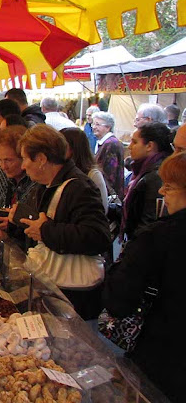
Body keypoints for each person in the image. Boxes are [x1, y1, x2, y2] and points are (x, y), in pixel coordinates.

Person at [102, 152, 186, 402]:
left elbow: (119, 299)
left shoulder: (159, 237)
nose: (161, 193)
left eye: (169, 187)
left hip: (161, 356)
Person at [11, 125, 111, 319]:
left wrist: (46, 231)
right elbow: (47, 222)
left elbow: (98, 237)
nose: (22, 166)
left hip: (73, 297)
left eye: (24, 158)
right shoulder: (48, 184)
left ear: (40, 159)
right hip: (56, 291)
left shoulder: (79, 187)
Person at [0, 126, 37, 233]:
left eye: (9, 160)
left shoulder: (36, 182)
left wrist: (15, 226)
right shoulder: (0, 174)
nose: (3, 166)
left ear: (23, 157)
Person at [121, 122, 172, 242]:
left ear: (149, 146)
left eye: (134, 142)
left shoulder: (155, 176)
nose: (129, 147)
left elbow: (148, 222)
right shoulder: (143, 170)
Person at [60, 127, 108, 212]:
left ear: (72, 149)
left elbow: (102, 209)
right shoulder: (60, 170)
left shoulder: (93, 175)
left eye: (60, 146)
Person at [92, 111, 125, 200]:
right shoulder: (103, 143)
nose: (94, 127)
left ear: (108, 127)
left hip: (109, 196)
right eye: (93, 124)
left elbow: (110, 175)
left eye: (97, 124)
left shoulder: (111, 144)